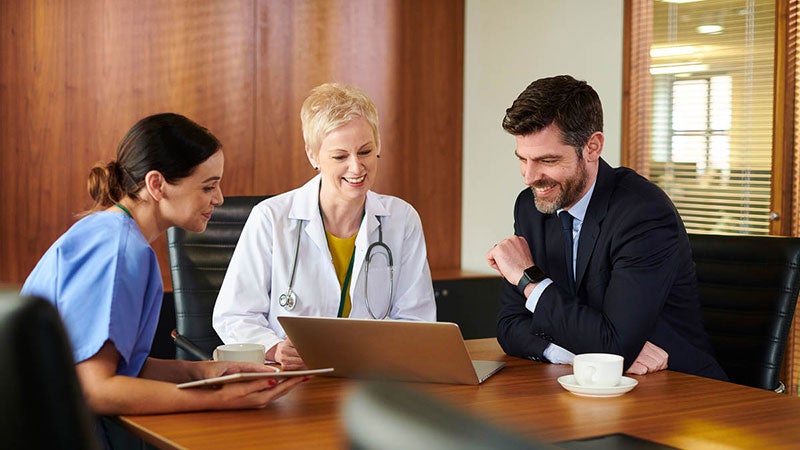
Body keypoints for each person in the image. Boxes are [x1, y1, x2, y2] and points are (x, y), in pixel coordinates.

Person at [20, 113, 304, 442]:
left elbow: (122, 368)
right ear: (157, 185)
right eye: (208, 186)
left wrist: (207, 372)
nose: (219, 198)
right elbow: (94, 388)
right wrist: (217, 400)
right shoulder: (120, 252)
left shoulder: (111, 235)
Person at [485, 75, 727, 380]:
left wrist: (528, 279)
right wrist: (581, 355)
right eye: (523, 159)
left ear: (592, 147)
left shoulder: (643, 213)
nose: (529, 177)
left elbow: (613, 345)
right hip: (595, 383)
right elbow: (510, 326)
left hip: (677, 387)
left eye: (547, 160)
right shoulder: (531, 207)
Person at [213, 83, 436, 370]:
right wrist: (275, 348)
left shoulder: (401, 219)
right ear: (313, 155)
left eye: (366, 151)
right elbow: (234, 315)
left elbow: (418, 320)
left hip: (372, 375)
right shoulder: (270, 218)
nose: (356, 168)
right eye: (340, 156)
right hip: (293, 378)